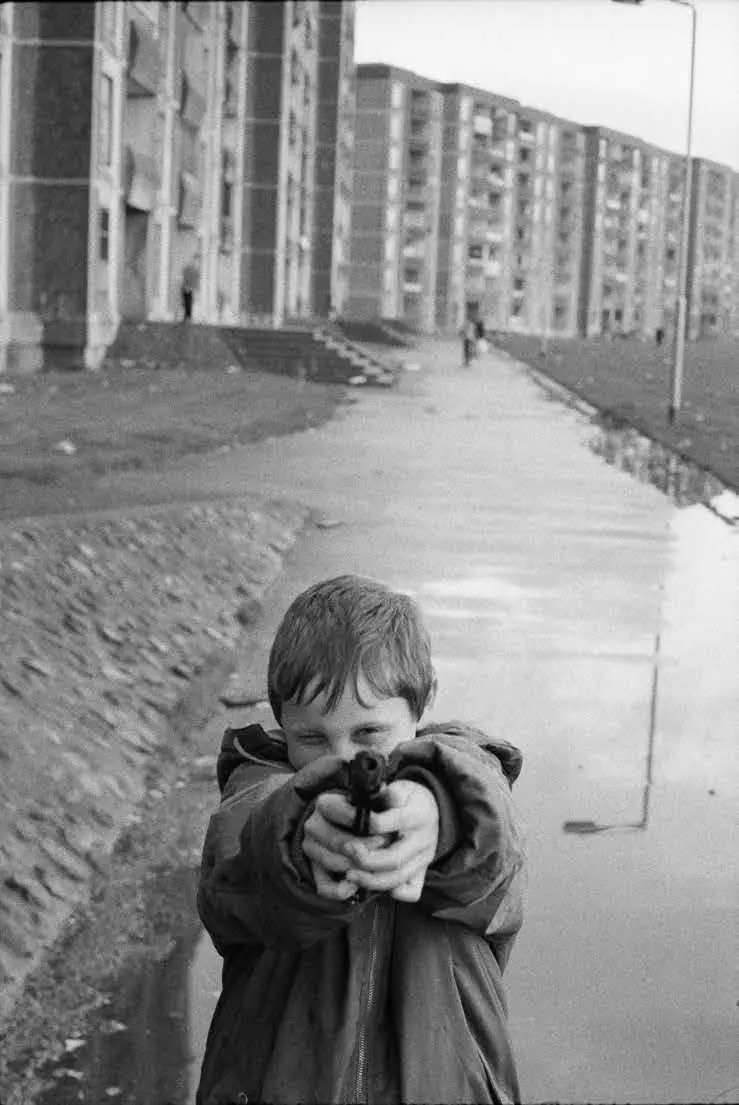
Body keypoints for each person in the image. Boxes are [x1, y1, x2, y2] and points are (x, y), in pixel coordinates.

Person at [196, 574, 526, 1105]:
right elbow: (234, 876)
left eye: (369, 734)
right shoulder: (255, 791)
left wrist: (440, 814)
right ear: (281, 724)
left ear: (423, 707)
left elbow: (498, 856)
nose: (343, 761)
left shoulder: (473, 783)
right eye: (311, 738)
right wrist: (298, 840)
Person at [181, 255, 200, 322]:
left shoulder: (195, 270)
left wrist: (195, 288)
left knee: (189, 303)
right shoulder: (190, 269)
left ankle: (188, 317)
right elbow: (186, 277)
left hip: (189, 288)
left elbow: (195, 280)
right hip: (187, 288)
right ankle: (187, 317)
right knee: (187, 303)